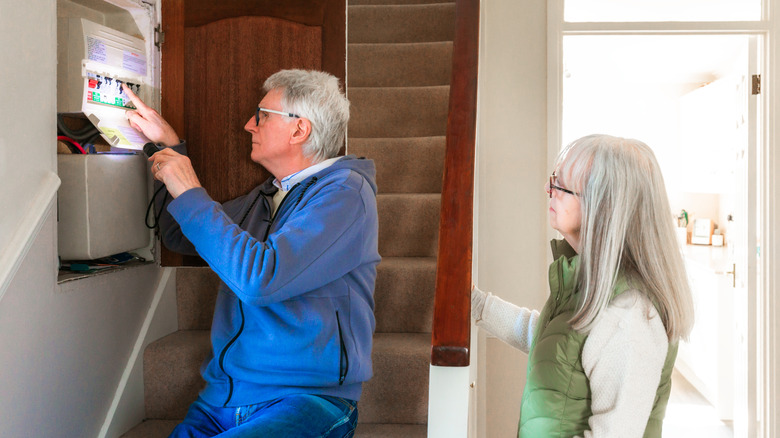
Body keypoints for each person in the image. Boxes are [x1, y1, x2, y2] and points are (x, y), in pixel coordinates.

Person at [122, 69, 380, 437]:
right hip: (220, 400)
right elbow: (179, 234)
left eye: (261, 115)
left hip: (307, 399)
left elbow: (261, 280)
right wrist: (170, 147)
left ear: (299, 129)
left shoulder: (345, 195)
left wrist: (191, 187)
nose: (248, 125)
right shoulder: (268, 196)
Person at [471, 134, 695, 437]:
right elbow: (553, 342)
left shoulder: (629, 317)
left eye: (562, 187)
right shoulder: (589, 279)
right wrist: (476, 304)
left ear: (604, 207)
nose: (549, 190)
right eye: (554, 180)